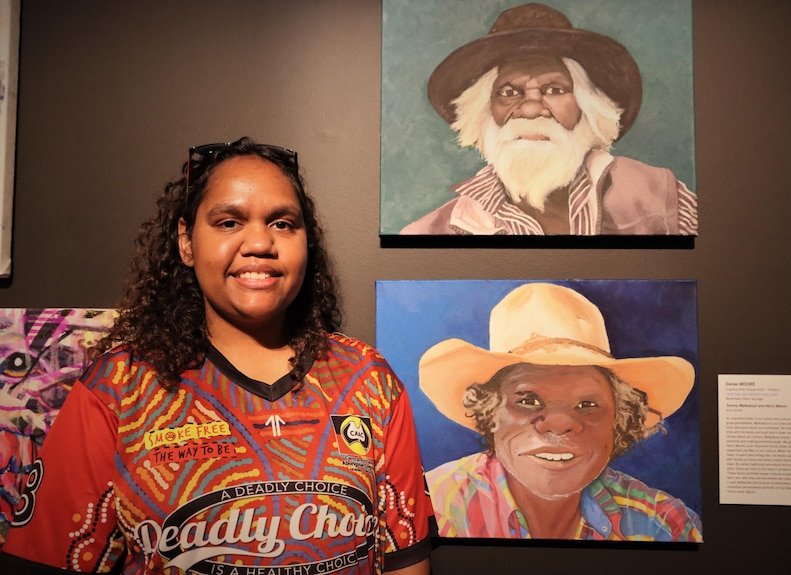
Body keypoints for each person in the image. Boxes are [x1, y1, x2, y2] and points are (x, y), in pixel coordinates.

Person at [0, 138, 433, 574]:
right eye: (229, 222)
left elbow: (406, 564)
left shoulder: (366, 381)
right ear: (187, 243)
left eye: (283, 223)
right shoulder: (118, 388)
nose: (260, 243)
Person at [418, 282, 702, 541]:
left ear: (620, 421)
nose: (559, 423)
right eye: (528, 400)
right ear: (489, 412)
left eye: (587, 405)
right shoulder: (430, 507)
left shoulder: (667, 526)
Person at [400, 3, 698, 236]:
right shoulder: (432, 231)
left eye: (554, 90)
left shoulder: (659, 196)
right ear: (483, 112)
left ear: (588, 108)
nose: (530, 110)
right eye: (508, 92)